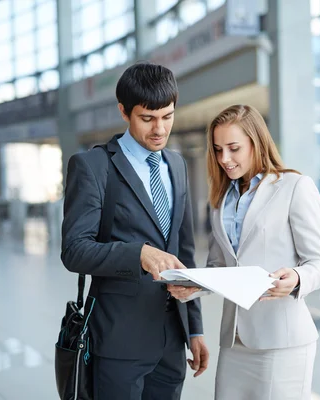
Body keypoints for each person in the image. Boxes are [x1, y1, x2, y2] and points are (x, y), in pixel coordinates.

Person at [61, 62, 209, 400]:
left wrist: (194, 329)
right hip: (118, 342)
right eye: (148, 118)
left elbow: (183, 253)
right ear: (124, 112)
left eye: (168, 116)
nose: (160, 129)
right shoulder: (94, 167)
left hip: (172, 342)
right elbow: (74, 250)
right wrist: (137, 254)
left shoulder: (176, 165)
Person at [170, 104, 320, 400]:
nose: (224, 159)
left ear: (256, 143)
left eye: (234, 148)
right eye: (218, 150)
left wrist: (295, 277)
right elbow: (220, 266)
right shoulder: (219, 200)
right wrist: (191, 286)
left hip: (282, 342)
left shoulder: (295, 187)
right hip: (234, 341)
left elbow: (319, 263)